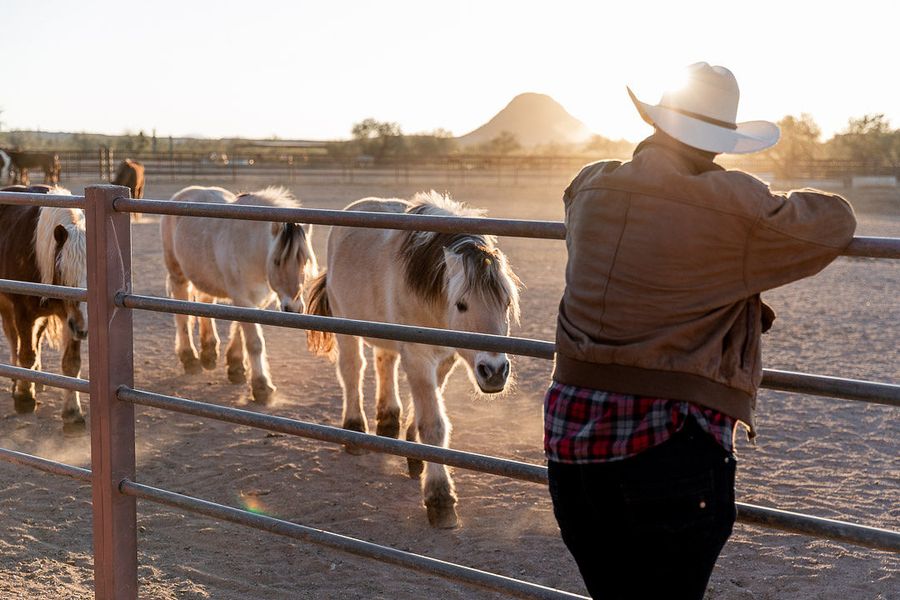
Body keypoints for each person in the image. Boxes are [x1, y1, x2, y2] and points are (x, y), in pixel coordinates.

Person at [545, 62, 857, 599]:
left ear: (659, 122)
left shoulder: (591, 184)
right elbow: (835, 219)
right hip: (668, 444)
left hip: (570, 439)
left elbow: (580, 201)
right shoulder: (731, 204)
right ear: (722, 142)